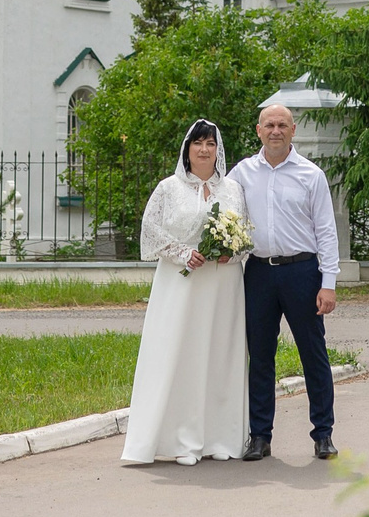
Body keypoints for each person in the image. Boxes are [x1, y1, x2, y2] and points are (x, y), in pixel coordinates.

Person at [122, 119, 249, 465]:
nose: (204, 150)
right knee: (181, 354)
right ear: (187, 149)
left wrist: (232, 251)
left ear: (218, 150)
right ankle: (181, 441)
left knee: (220, 354)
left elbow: (246, 235)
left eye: (210, 144)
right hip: (181, 282)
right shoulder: (168, 188)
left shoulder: (233, 189)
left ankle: (220, 437)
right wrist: (182, 252)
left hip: (223, 283)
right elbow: (150, 232)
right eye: (198, 144)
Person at [231, 103, 338, 461]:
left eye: (282, 125)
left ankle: (323, 434)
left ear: (293, 131)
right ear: (258, 131)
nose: (275, 130)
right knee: (260, 356)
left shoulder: (311, 175)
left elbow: (326, 231)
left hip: (302, 273)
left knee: (313, 355)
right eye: (269, 125)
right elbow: (224, 217)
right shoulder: (241, 174)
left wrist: (329, 282)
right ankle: (260, 436)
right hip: (258, 273)